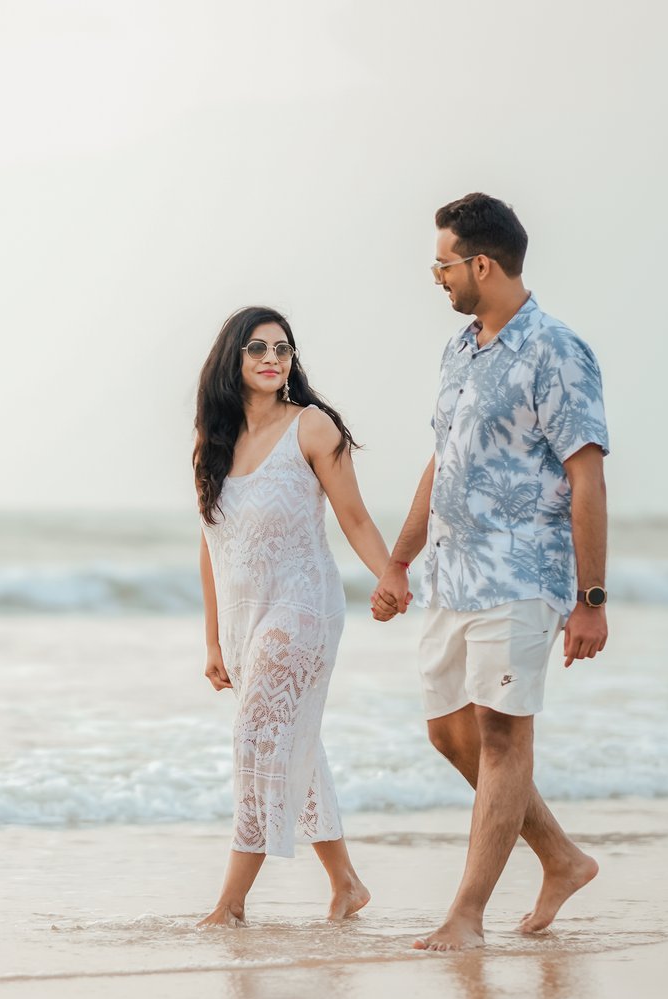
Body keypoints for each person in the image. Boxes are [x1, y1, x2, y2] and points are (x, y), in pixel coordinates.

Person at [371, 193, 610, 951]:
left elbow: (588, 476)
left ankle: (465, 914)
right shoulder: (461, 348)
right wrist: (399, 559)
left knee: (504, 737)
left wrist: (591, 599)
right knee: (450, 735)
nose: (436, 277)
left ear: (482, 263)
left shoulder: (557, 349)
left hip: (522, 571)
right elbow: (443, 464)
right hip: (450, 573)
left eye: (442, 263)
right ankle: (562, 859)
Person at [194, 306, 401, 926]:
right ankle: (346, 883)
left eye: (282, 349)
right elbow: (210, 546)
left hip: (303, 607)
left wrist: (390, 574)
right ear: (232, 358)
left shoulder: (311, 427)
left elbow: (355, 518)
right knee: (298, 749)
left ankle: (231, 903)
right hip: (242, 619)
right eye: (257, 348)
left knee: (256, 738)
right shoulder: (214, 442)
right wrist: (212, 643)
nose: (271, 358)